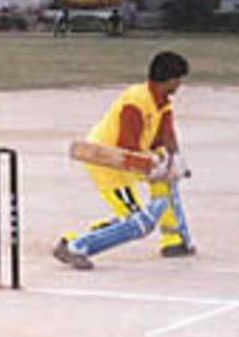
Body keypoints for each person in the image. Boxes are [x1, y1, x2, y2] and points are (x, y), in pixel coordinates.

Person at [54, 51, 193, 270]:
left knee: (153, 195)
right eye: (178, 80)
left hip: (126, 160)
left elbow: (165, 135)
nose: (180, 85)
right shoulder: (135, 102)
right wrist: (154, 167)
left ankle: (174, 241)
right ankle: (75, 245)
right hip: (106, 161)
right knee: (137, 222)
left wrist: (174, 159)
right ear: (169, 79)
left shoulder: (162, 101)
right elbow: (127, 147)